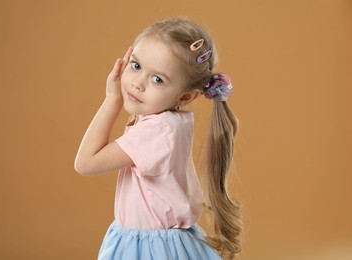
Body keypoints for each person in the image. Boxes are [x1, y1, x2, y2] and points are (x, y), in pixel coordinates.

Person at [74, 18, 242, 260]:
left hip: (149, 249)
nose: (138, 83)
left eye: (158, 79)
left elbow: (85, 163)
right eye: (136, 65)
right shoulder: (173, 120)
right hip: (161, 242)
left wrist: (112, 98)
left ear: (185, 97)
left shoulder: (155, 131)